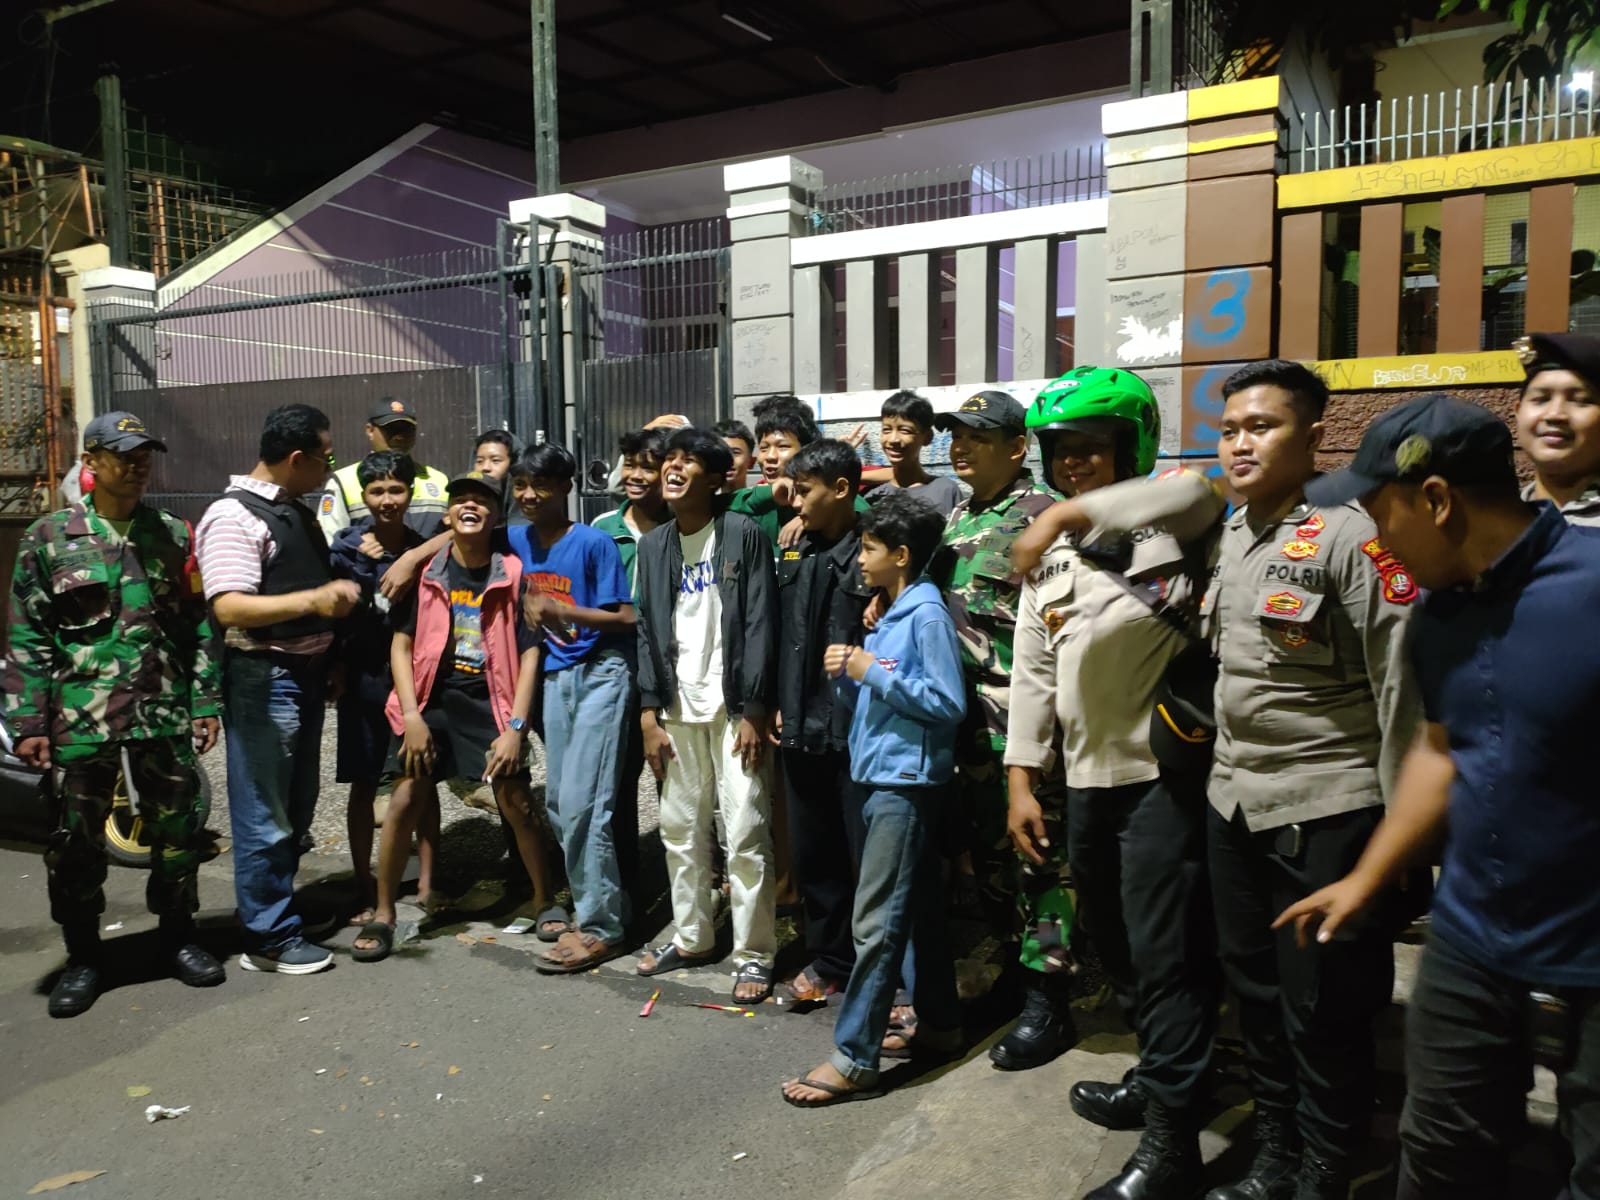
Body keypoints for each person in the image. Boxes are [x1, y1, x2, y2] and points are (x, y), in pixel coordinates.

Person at [1016, 359, 1421, 1200]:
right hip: (1218, 797)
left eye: (1261, 427)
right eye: (1231, 428)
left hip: (1300, 800)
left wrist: (1401, 850)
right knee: (1244, 989)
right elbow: (1040, 667)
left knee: (1314, 1005)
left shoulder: (1314, 535)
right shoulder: (1232, 536)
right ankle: (1272, 1154)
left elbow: (1403, 701)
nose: (1241, 444)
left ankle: (1305, 1166)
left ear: (1313, 436)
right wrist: (1025, 769)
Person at [1277, 393, 1600, 1200]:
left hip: (1591, 945)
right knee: (1439, 1154)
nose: (1373, 536)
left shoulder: (1592, 588)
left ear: (1436, 500)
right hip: (1471, 936)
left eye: (1379, 513)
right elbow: (1440, 749)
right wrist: (1366, 877)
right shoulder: (1438, 610)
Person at [1006, 369, 1224, 1196]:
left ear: (1131, 448)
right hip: (1089, 783)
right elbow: (1032, 674)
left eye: (1091, 449)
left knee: (1167, 960)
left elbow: (1197, 489)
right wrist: (1021, 781)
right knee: (1119, 947)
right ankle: (1162, 1074)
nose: (1073, 464)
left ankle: (1172, 1149)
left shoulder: (1173, 522)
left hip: (1163, 781)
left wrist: (1063, 515)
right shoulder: (1050, 559)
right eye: (1061, 452)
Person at [2, 411, 226, 1017]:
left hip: (161, 711)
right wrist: (28, 723)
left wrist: (204, 700)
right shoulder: (49, 537)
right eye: (124, 454)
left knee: (178, 834)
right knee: (76, 845)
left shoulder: (173, 534)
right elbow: (28, 637)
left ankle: (179, 938)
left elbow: (196, 625)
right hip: (83, 718)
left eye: (144, 454)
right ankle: (83, 958)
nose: (138, 464)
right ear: (92, 461)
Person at [780, 490, 966, 1106]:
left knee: (877, 921)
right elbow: (885, 693)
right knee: (915, 913)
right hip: (884, 774)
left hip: (903, 782)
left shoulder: (925, 614)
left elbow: (947, 702)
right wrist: (852, 673)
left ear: (902, 555)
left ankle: (855, 1057)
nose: (859, 559)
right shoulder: (894, 611)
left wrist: (871, 671)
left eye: (868, 548)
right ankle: (940, 1025)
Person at [351, 470, 557, 963]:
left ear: (496, 516)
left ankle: (545, 900)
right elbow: (401, 646)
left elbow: (530, 652)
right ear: (447, 515)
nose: (470, 506)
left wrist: (516, 727)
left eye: (481, 501)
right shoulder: (426, 573)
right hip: (431, 701)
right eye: (460, 499)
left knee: (517, 801)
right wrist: (412, 717)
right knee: (405, 798)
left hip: (489, 701)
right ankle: (385, 913)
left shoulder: (512, 572)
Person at [197, 404, 360, 976]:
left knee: (295, 805)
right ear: (296, 458)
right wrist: (316, 602)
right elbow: (229, 607)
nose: (329, 469)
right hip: (264, 679)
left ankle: (279, 910)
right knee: (264, 812)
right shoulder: (232, 516)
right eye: (325, 458)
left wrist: (329, 653)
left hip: (305, 676)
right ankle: (267, 937)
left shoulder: (292, 511)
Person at [633, 428, 779, 1004]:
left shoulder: (741, 533)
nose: (672, 468)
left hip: (734, 707)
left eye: (688, 460)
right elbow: (646, 630)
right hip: (676, 707)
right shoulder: (654, 545)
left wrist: (755, 708)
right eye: (668, 459)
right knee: (679, 829)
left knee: (744, 832)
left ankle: (754, 953)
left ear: (717, 479)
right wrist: (649, 711)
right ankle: (693, 937)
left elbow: (762, 621)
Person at [928, 389, 1060, 1019]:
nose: (961, 447)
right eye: (957, 435)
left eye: (977, 437)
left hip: (1018, 719)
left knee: (1039, 859)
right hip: (965, 721)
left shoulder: (1045, 517)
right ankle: (1012, 964)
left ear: (1017, 447)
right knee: (988, 857)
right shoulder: (959, 515)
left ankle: (1048, 992)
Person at [503, 444, 636, 973]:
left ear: (566, 486)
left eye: (540, 485)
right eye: (520, 485)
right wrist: (409, 558)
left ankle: (603, 928)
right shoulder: (516, 539)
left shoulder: (593, 542)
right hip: (554, 680)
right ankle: (600, 907)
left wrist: (562, 610)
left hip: (602, 672)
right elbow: (464, 532)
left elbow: (626, 617)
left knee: (585, 805)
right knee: (560, 803)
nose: (529, 495)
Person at [773, 439, 875, 1004]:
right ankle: (830, 959)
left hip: (857, 730)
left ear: (841, 489)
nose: (794, 502)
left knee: (868, 857)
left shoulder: (878, 547)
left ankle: (883, 972)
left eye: (804, 491)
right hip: (798, 723)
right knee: (815, 854)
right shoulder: (794, 547)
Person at [328, 451, 439, 925]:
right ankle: (364, 884)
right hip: (363, 679)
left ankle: (429, 884)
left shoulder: (426, 548)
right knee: (364, 781)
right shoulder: (346, 548)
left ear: (411, 493)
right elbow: (335, 616)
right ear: (364, 496)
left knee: (421, 779)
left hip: (415, 682)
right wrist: (335, 665)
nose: (387, 500)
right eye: (377, 491)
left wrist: (412, 557)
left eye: (396, 490)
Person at [317, 397, 449, 540]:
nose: (399, 437)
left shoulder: (439, 480)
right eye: (391, 429)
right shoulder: (343, 481)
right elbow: (329, 540)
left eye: (406, 429)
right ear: (370, 430)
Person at [1514, 332, 1600, 525]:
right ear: (1518, 413)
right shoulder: (1501, 520)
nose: (1554, 414)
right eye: (1541, 399)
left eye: (1580, 401)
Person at [868, 389, 965, 517]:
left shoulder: (945, 491)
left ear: (927, 437)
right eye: (886, 430)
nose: (893, 439)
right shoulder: (873, 498)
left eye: (905, 430)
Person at [473, 429, 528, 526]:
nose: (485, 468)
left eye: (495, 461)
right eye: (480, 461)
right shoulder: (466, 510)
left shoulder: (529, 521)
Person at [713, 418, 756, 491]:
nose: (727, 459)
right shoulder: (702, 498)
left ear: (751, 462)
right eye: (721, 452)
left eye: (735, 452)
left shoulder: (762, 496)